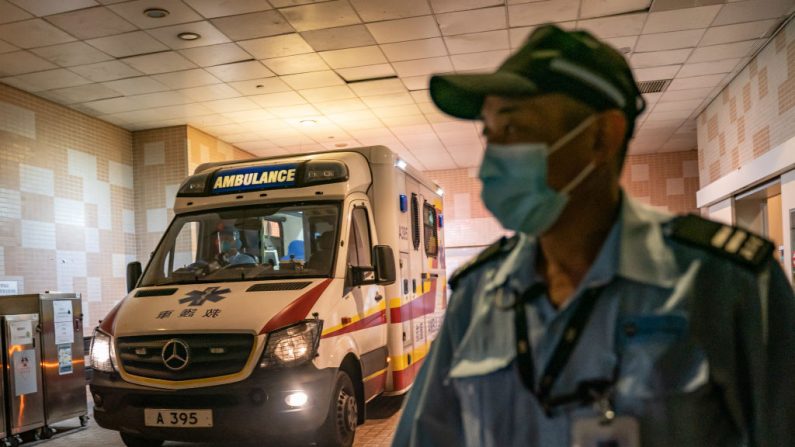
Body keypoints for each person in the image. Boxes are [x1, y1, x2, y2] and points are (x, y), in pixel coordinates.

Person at [392, 24, 795, 447]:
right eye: (489, 135)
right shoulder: (477, 296)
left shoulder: (726, 283)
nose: (490, 161)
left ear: (601, 137)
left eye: (512, 130)